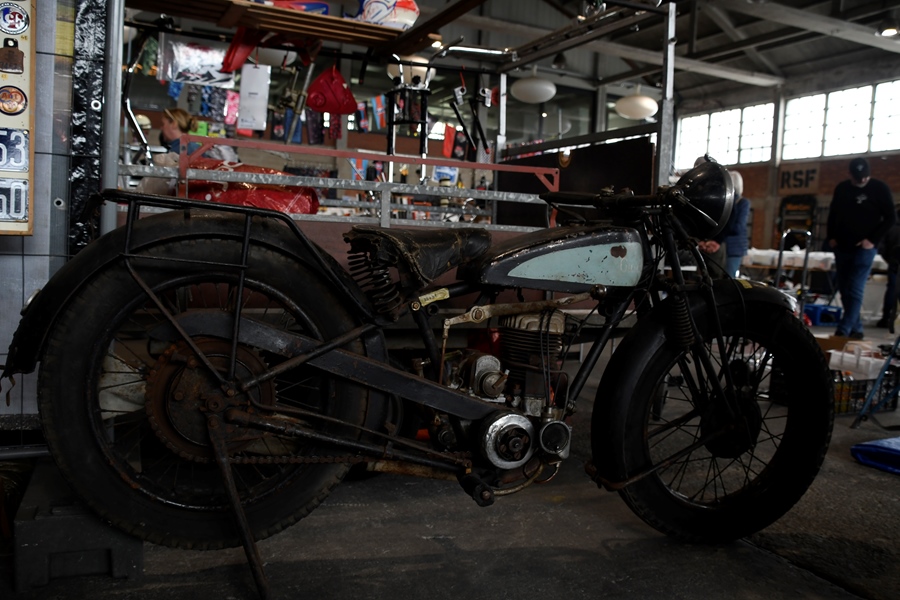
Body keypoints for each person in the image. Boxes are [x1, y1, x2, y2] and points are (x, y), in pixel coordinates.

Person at [827, 157, 895, 339]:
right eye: (858, 178)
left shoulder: (879, 189)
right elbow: (832, 214)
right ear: (849, 174)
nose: (862, 180)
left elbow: (891, 218)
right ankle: (856, 328)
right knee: (844, 288)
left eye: (865, 177)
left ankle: (844, 329)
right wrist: (831, 237)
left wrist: (872, 240)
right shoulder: (842, 189)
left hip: (865, 248)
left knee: (855, 287)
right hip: (842, 246)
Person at [876, 206, 900, 333]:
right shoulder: (891, 224)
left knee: (893, 290)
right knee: (893, 291)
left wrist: (890, 259)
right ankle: (889, 319)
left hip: (894, 262)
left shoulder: (890, 224)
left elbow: (881, 246)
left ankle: (888, 318)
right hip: (895, 262)